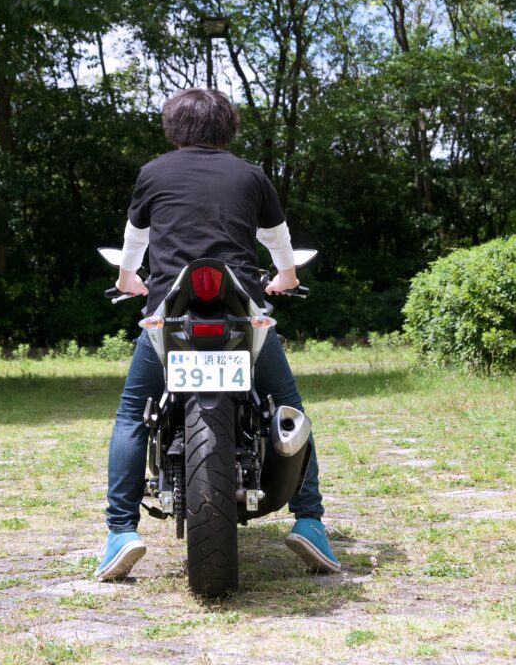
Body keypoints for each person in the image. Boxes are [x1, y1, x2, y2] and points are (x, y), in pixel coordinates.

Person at [95, 87, 341, 581]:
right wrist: (286, 278)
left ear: (174, 127)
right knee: (288, 406)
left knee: (132, 413)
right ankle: (309, 521)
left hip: (169, 312)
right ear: (227, 127)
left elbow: (135, 241)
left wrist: (126, 281)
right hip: (242, 309)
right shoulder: (250, 175)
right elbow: (277, 239)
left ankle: (120, 531)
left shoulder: (153, 173)